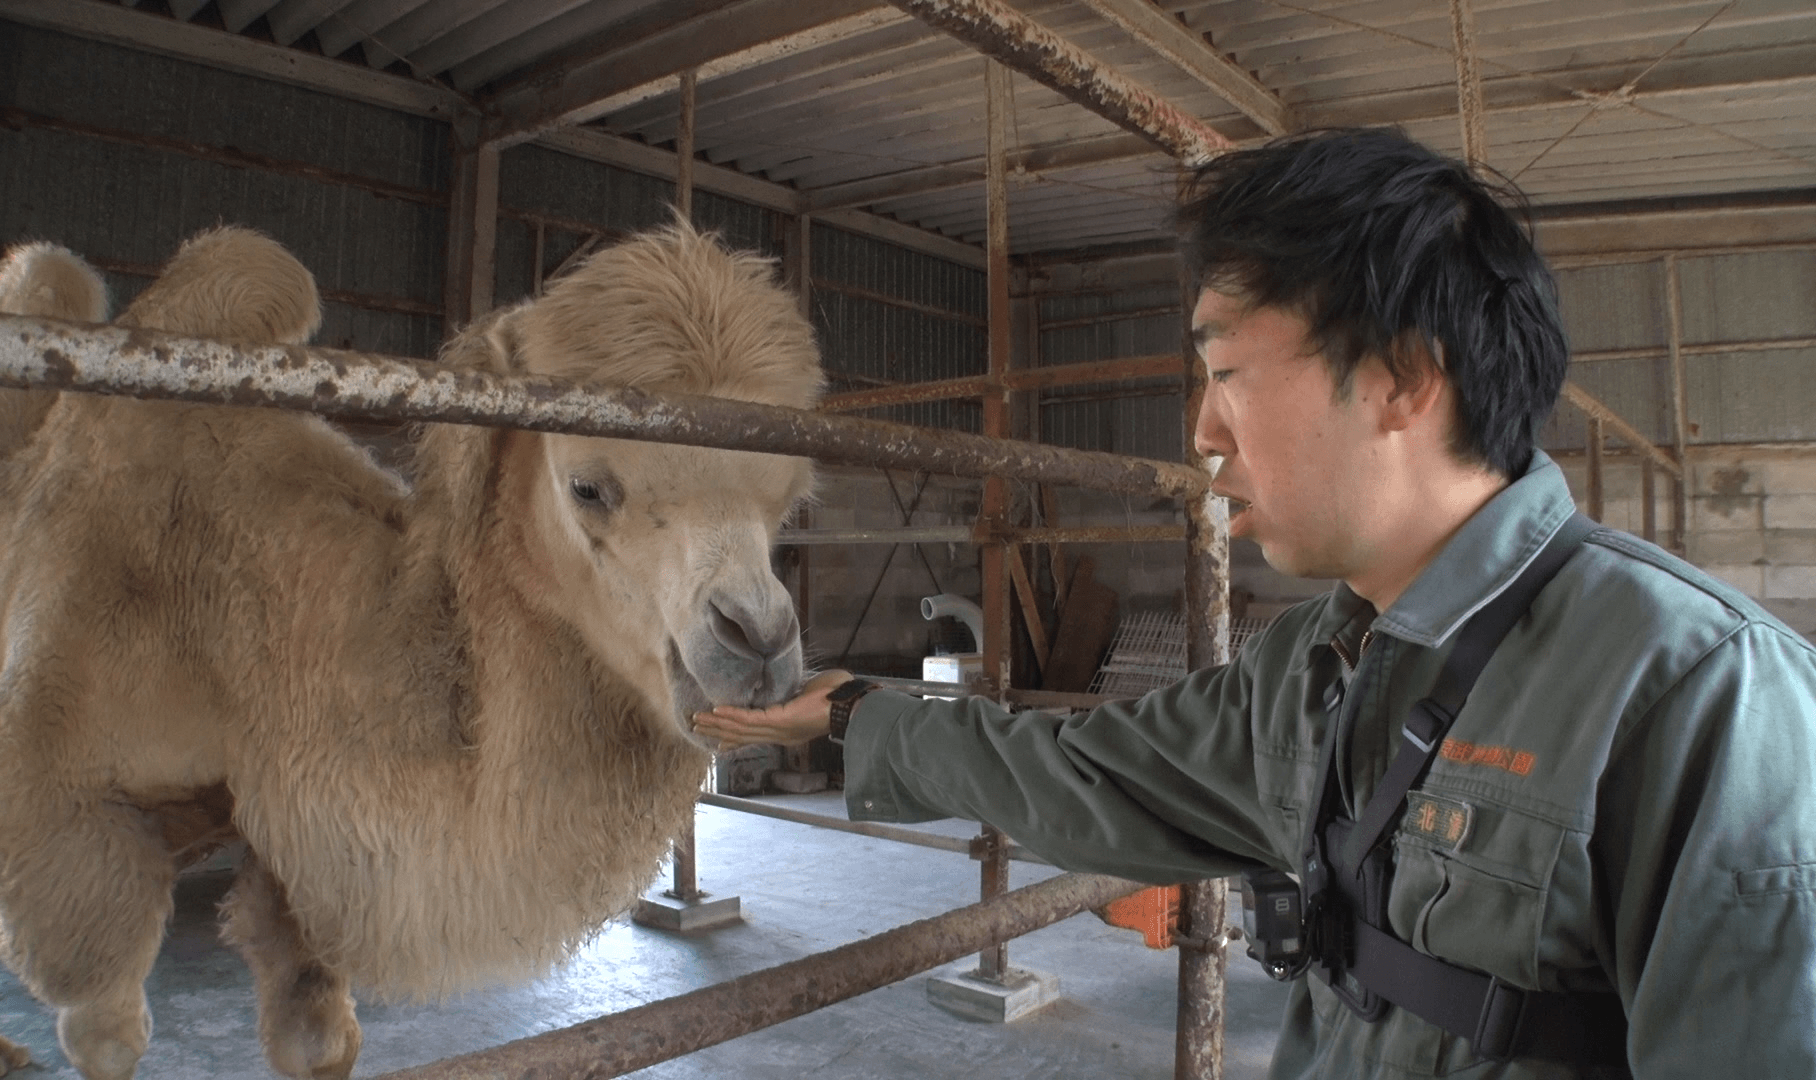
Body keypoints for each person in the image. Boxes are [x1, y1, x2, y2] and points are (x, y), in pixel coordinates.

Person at [694, 128, 1816, 1078]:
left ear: (1403, 377)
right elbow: (1083, 776)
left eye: (1225, 370)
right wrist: (852, 718)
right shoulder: (1318, 666)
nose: (1200, 430)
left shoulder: (1703, 692)